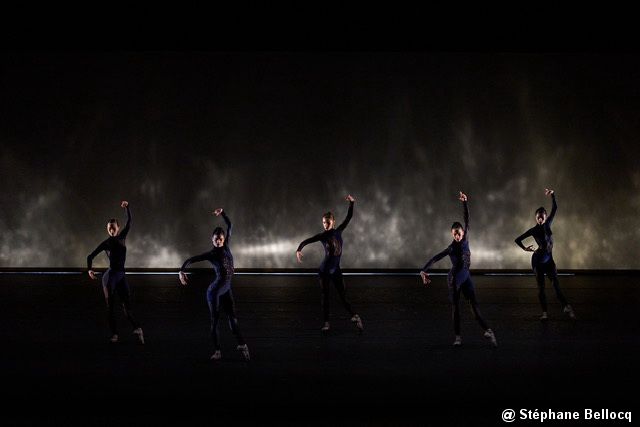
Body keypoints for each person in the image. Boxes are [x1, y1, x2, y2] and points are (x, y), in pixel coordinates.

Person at [420, 192, 497, 347]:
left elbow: (467, 219)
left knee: (474, 305)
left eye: (459, 233)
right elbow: (436, 257)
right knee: (456, 308)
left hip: (466, 276)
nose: (457, 236)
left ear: (463, 232)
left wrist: (465, 202)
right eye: (454, 234)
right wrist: (423, 270)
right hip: (454, 279)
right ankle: (457, 337)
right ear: (452, 234)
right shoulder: (451, 248)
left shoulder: (466, 237)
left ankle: (487, 330)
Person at [178, 208, 250, 361]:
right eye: (216, 239)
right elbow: (192, 259)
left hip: (226, 289)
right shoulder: (212, 254)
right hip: (214, 292)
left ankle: (242, 344)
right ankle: (217, 351)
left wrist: (222, 213)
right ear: (212, 240)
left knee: (233, 320)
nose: (218, 241)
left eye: (220, 239)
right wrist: (181, 270)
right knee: (215, 321)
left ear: (224, 239)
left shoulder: (226, 246)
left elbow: (230, 225)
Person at [296, 195, 363, 333]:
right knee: (325, 297)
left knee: (343, 296)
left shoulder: (338, 231)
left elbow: (349, 217)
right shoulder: (322, 235)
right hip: (324, 272)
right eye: (323, 222)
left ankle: (355, 316)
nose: (325, 225)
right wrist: (299, 249)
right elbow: (307, 240)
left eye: (327, 222)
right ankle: (326, 323)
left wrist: (352, 203)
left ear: (333, 221)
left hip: (336, 270)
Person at [87, 201, 144, 344]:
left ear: (118, 228)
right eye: (109, 228)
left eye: (113, 227)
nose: (111, 230)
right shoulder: (106, 243)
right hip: (110, 277)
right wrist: (89, 269)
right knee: (110, 307)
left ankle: (137, 328)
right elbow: (90, 256)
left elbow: (129, 221)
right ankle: (114, 334)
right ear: (107, 229)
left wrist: (127, 207)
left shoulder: (122, 236)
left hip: (121, 276)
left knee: (126, 307)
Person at [515, 189, 575, 321]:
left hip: (549, 261)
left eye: (542, 216)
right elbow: (517, 239)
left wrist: (552, 194)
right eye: (538, 217)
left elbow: (555, 208)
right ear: (536, 218)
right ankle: (544, 313)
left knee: (556, 285)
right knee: (541, 288)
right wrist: (525, 248)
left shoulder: (548, 224)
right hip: (537, 262)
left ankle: (566, 306)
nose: (540, 218)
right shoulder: (533, 230)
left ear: (546, 217)